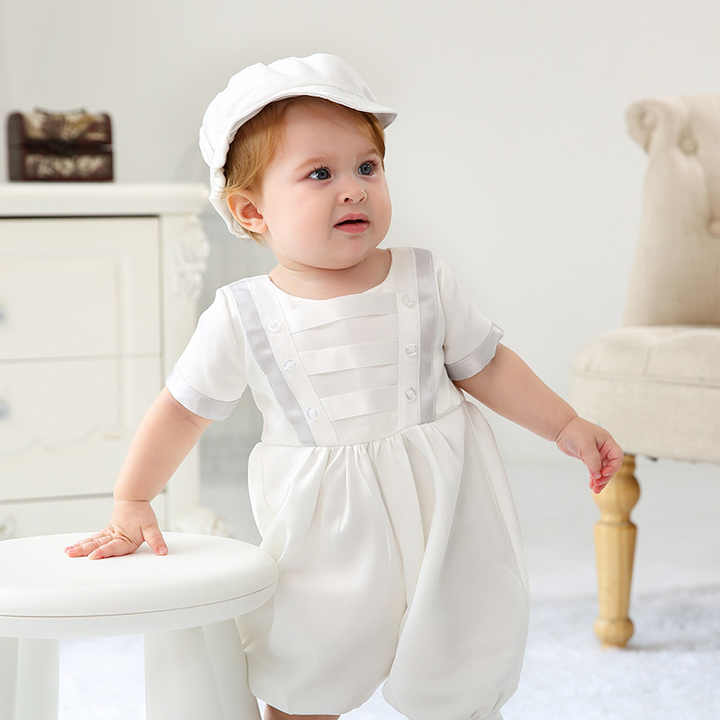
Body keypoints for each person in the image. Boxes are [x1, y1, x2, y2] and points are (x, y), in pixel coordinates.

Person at [64, 53, 623, 720]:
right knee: (309, 660)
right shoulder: (245, 313)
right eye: (320, 174)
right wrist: (132, 498)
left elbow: (487, 365)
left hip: (446, 505)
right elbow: (182, 411)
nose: (354, 189)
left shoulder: (423, 279)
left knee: (461, 651)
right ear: (251, 211)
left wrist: (564, 425)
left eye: (367, 167)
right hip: (325, 529)